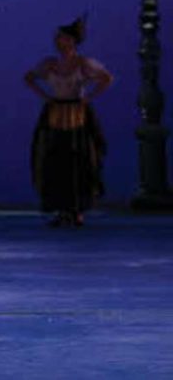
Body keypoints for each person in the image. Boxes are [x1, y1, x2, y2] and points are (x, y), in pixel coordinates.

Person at [25, 16, 112, 227]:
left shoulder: (83, 63)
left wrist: (87, 98)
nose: (58, 41)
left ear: (72, 41)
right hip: (56, 111)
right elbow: (29, 77)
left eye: (62, 37)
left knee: (78, 160)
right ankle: (62, 210)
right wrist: (45, 97)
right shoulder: (50, 63)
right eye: (58, 37)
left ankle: (77, 210)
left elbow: (106, 78)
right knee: (56, 160)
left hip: (76, 114)